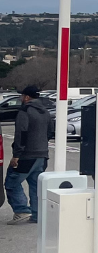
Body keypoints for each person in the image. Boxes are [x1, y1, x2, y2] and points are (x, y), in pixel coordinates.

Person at [5, 85, 50, 224]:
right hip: (42, 155)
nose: (20, 98)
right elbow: (50, 132)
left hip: (26, 155)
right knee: (36, 185)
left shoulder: (25, 111)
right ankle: (37, 214)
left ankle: (21, 210)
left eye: (22, 96)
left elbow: (21, 133)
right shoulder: (46, 112)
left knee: (12, 182)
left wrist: (16, 155)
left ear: (27, 97)